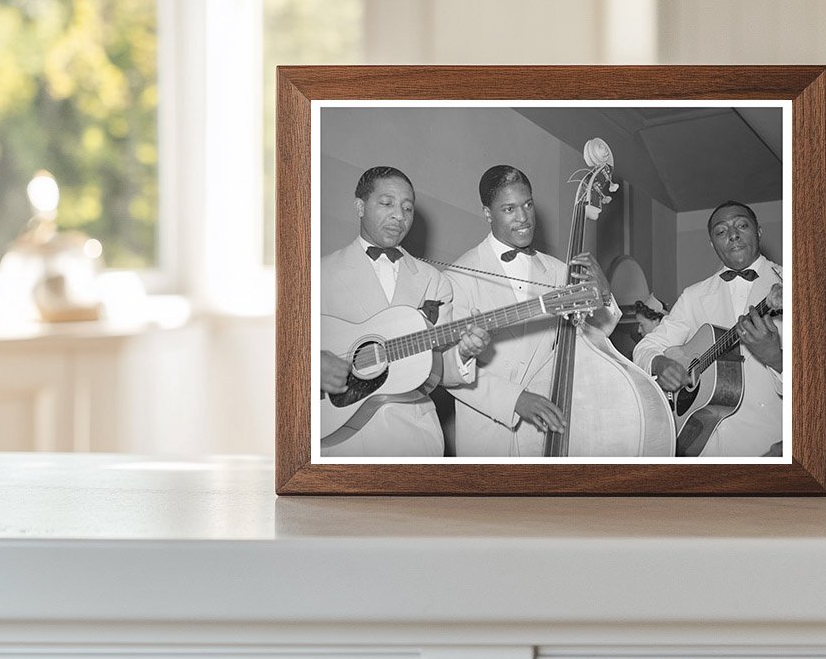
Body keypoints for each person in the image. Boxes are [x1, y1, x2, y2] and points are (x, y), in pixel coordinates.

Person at [447, 165, 618, 457]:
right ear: (488, 213)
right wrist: (516, 400)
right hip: (488, 435)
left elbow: (591, 339)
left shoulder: (559, 270)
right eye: (509, 209)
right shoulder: (457, 276)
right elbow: (449, 367)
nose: (524, 218)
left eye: (528, 204)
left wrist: (602, 295)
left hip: (547, 430)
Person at [318, 166, 490, 457]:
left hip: (414, 438)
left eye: (407, 208)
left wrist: (464, 353)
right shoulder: (319, 272)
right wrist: (312, 364)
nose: (399, 215)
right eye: (387, 204)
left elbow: (442, 369)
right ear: (360, 206)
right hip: (339, 440)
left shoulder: (434, 280)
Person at [632, 201, 783, 458]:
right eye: (721, 231)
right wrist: (660, 365)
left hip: (774, 442)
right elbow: (645, 348)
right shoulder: (694, 296)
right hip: (707, 447)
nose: (733, 235)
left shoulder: (792, 283)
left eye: (742, 226)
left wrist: (777, 359)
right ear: (712, 244)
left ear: (758, 232)